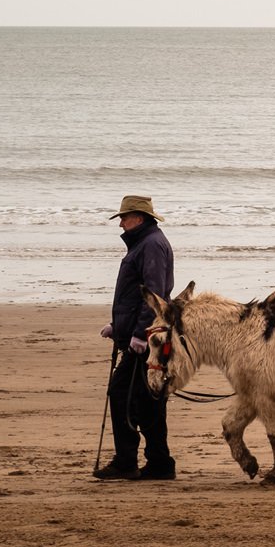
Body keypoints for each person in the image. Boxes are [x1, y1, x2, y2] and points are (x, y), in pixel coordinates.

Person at [97, 194, 175, 480]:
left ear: (138, 218)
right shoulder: (145, 242)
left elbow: (153, 294)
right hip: (140, 333)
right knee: (148, 399)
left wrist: (141, 333)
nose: (121, 223)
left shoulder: (151, 244)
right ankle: (159, 463)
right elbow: (133, 294)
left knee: (122, 393)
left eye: (124, 218)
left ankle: (127, 460)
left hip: (147, 338)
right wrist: (117, 326)